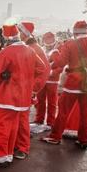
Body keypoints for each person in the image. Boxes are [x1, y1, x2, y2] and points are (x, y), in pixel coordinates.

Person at [42, 21, 87, 149]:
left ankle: (55, 137)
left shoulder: (70, 43)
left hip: (73, 83)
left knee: (63, 111)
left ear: (74, 32)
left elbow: (61, 62)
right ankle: (83, 140)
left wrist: (52, 60)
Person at [0, 24, 47, 167]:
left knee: (1, 125)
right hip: (23, 98)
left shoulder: (6, 52)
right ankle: (8, 154)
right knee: (14, 126)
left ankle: (2, 156)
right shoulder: (30, 51)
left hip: (7, 96)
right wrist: (31, 87)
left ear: (6, 38)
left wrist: (1, 80)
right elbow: (42, 69)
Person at [15, 21, 50, 159]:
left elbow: (45, 70)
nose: (18, 34)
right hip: (20, 88)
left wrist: (33, 89)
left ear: (26, 33)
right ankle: (17, 143)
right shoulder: (28, 46)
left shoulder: (35, 48)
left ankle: (23, 147)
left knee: (22, 118)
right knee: (18, 117)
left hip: (26, 89)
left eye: (20, 32)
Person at [33, 32, 62, 128]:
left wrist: (50, 73)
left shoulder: (57, 51)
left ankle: (51, 121)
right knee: (40, 100)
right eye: (46, 39)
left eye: (50, 39)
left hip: (53, 80)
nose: (48, 41)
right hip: (42, 80)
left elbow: (60, 67)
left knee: (52, 101)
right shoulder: (42, 49)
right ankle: (39, 119)